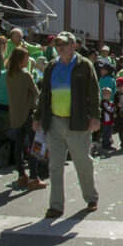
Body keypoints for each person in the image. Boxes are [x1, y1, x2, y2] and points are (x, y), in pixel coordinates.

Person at [34, 32, 99, 219]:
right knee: (55, 166)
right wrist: (37, 117)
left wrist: (95, 117)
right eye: (57, 44)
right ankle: (56, 205)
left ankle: (91, 196)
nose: (60, 47)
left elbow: (93, 93)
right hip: (54, 121)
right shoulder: (51, 67)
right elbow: (44, 94)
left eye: (63, 44)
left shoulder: (84, 65)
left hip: (77, 121)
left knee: (82, 162)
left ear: (73, 45)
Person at [5, 47, 46, 190]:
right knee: (34, 145)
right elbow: (36, 93)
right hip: (28, 113)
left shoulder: (8, 75)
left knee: (19, 145)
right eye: (26, 58)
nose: (27, 60)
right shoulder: (26, 75)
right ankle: (34, 176)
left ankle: (22, 175)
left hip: (15, 114)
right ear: (20, 60)